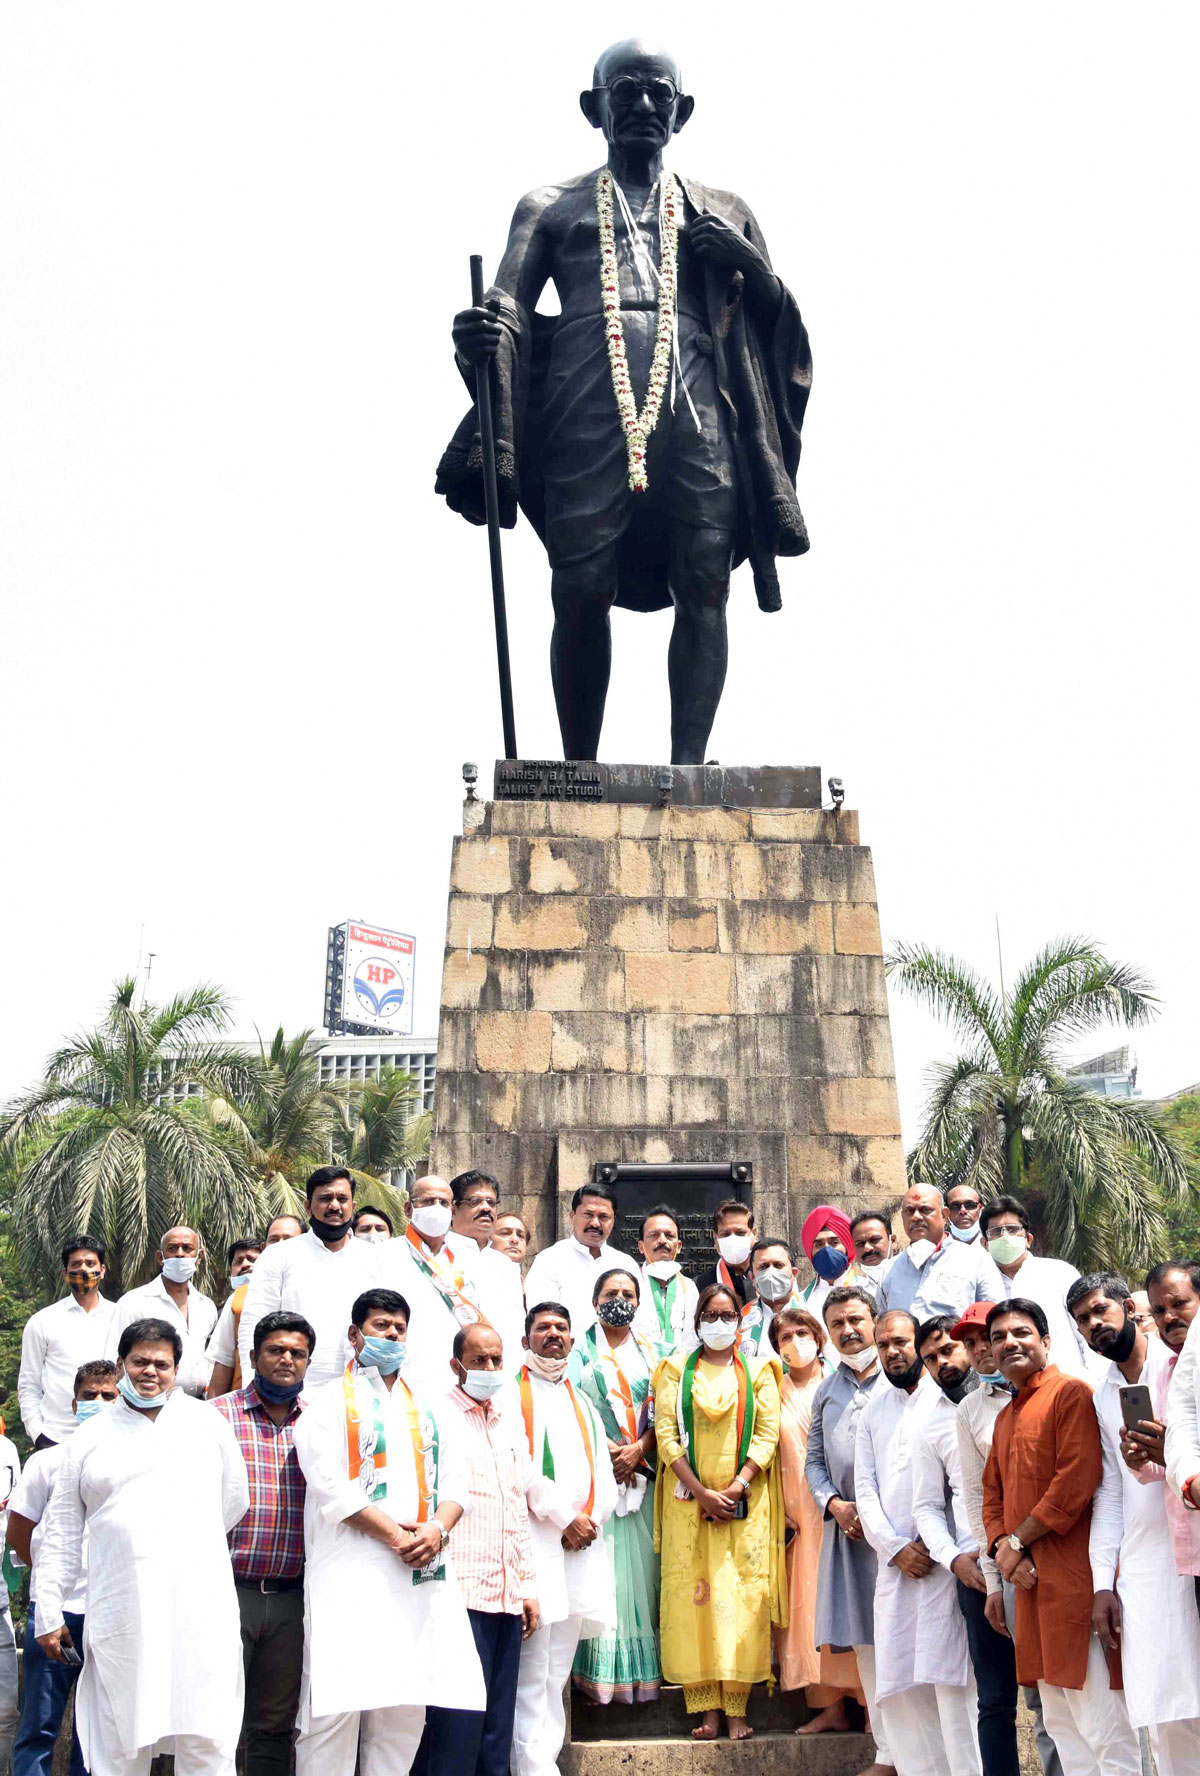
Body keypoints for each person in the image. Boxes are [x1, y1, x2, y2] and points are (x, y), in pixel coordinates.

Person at [441, 39, 811, 767]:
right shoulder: (552, 208)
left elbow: (778, 325)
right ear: (594, 107)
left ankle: (688, 767)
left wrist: (748, 266)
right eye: (626, 91)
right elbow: (509, 306)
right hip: (586, 397)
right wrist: (484, 331)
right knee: (578, 584)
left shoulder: (723, 210)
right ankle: (578, 769)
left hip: (700, 400)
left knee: (704, 575)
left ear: (683, 112)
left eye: (658, 93)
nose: (642, 105)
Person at [35, 1317, 250, 1776]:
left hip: (200, 1607)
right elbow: (63, 1530)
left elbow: (234, 1502)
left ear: (176, 1369)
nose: (150, 1371)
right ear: (120, 1365)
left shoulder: (207, 1424)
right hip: (123, 1608)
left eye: (162, 1363)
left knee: (206, 1733)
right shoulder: (90, 1436)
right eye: (139, 1362)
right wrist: (49, 1610)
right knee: (120, 1734)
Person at [292, 1288, 484, 1775]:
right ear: (355, 1335)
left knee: (404, 1709)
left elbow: (460, 1481)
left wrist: (436, 1530)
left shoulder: (432, 1406)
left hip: (420, 1576)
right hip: (351, 1576)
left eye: (399, 1328)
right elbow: (330, 1486)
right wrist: (398, 1537)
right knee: (335, 1711)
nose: (392, 1335)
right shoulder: (325, 1403)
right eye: (381, 1326)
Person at [982, 1300, 1140, 1776]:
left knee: (1106, 1730)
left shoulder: (1071, 1394)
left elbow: (1077, 1480)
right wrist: (1001, 1550)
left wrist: (1016, 1542)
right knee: (1062, 1727)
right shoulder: (1005, 1416)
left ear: (1046, 1342)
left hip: (1074, 1585)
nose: (1010, 1342)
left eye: (1022, 1332)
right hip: (1029, 1592)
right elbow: (990, 1495)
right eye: (999, 1337)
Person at [1068, 1272, 1200, 1775]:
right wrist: (1104, 1584)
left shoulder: (1183, 1362)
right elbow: (1111, 1496)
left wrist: (1171, 1454)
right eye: (1084, 1320)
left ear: (1128, 1306)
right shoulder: (1103, 1395)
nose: (1095, 1324)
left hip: (1191, 1551)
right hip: (1146, 1566)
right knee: (1166, 1712)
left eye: (1101, 1310)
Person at [654, 1284, 786, 1742]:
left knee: (740, 1599)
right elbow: (667, 1436)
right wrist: (703, 1493)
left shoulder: (761, 1370)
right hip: (688, 1507)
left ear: (740, 1321)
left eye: (726, 1314)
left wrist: (735, 1487)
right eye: (709, 1315)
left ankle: (737, 1709)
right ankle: (706, 1709)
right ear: (696, 1322)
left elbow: (767, 1434)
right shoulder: (672, 1370)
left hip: (744, 1507)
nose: (718, 1322)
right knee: (695, 1601)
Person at [855, 1309, 980, 1776]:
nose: (892, 1351)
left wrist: (934, 1546)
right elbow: (863, 1489)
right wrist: (893, 1547)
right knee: (902, 1692)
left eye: (901, 1342)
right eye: (883, 1344)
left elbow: (961, 1488)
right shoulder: (873, 1409)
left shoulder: (947, 1400)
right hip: (895, 1569)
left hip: (947, 1566)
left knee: (953, 1690)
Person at [413, 1321, 537, 1776]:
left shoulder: (506, 1420)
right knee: (455, 1724)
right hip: (458, 1592)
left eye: (496, 1360)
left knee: (495, 1726)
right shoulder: (435, 1415)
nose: (489, 1368)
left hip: (505, 1593)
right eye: (478, 1360)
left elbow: (516, 1503)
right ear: (455, 1365)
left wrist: (526, 1585)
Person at [513, 1302, 616, 1776]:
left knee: (557, 1670)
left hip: (580, 1548)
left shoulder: (583, 1401)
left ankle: (544, 1762)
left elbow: (604, 1474)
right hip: (535, 1542)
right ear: (526, 1339)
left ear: (572, 1342)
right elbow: (520, 1470)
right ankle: (529, 1765)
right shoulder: (511, 1396)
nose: (552, 1334)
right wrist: (564, 1517)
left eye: (560, 1328)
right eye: (542, 1328)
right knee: (531, 1670)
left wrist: (589, 1521)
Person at [210, 1311, 316, 1776]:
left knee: (275, 1725)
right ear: (253, 1357)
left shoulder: (320, 1423)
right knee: (216, 1719)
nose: (286, 1360)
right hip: (227, 1592)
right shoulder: (215, 1417)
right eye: (276, 1351)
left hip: (293, 1597)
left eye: (297, 1353)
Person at [949, 1302, 1053, 1776]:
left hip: (1059, 1556)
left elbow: (1072, 1482)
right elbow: (978, 1498)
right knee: (1028, 1696)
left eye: (985, 1338)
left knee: (1070, 1691)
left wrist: (1021, 1544)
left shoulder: (1059, 1393)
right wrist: (997, 1574)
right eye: (972, 1343)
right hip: (1009, 1569)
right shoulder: (972, 1409)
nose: (984, 1349)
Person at [913, 1317, 1015, 1773]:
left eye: (949, 1350)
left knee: (1052, 1693)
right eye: (931, 1358)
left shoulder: (1028, 1395)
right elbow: (928, 1505)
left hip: (1039, 1557)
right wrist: (955, 1560)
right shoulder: (932, 1418)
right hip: (977, 1569)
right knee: (994, 1700)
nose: (943, 1363)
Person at [9, 1360, 119, 1776]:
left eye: (109, 1395)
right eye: (90, 1395)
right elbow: (19, 1532)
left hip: (108, 1612)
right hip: (55, 1615)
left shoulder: (132, 1463)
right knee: (39, 1727)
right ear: (74, 1405)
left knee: (96, 1734)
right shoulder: (46, 1462)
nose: (99, 1402)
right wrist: (51, 1581)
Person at [805, 1285, 893, 1776]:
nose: (848, 1330)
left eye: (856, 1320)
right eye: (837, 1324)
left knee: (903, 1636)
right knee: (867, 1646)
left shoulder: (901, 1379)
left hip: (896, 1536)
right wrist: (834, 1504)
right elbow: (814, 1462)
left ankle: (918, 1751)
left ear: (875, 1321)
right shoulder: (827, 1389)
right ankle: (887, 1752)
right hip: (849, 1536)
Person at [568, 1269, 663, 1706]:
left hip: (642, 1474)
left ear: (639, 1302)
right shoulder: (575, 1352)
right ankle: (597, 1677)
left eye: (627, 1294)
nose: (619, 1300)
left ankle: (641, 1675)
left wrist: (639, 1448)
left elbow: (666, 1410)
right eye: (610, 1293)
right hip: (595, 1475)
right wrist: (609, 1451)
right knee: (602, 1573)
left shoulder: (655, 1352)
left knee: (641, 1576)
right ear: (594, 1301)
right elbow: (570, 1403)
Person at [770, 1303, 864, 1736]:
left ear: (819, 1337)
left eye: (801, 1334)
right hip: (798, 1520)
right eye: (784, 1338)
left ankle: (870, 1707)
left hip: (840, 1511)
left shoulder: (838, 1384)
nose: (794, 1344)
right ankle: (830, 1706)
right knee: (810, 1608)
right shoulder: (771, 1392)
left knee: (851, 1600)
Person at [238, 1169, 379, 1396]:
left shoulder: (375, 1258)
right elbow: (254, 1324)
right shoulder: (279, 1256)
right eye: (325, 1199)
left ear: (353, 1205)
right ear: (307, 1206)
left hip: (362, 1392)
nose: (334, 1206)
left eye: (342, 1199)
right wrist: (250, 1384)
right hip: (292, 1393)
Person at [382, 1175, 488, 1394]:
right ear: (409, 1209)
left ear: (453, 1210)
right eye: (428, 1201)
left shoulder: (470, 1256)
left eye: (444, 1203)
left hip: (460, 1377)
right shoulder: (384, 1255)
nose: (437, 1208)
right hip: (407, 1376)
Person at [979, 1197, 1098, 1381]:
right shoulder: (980, 1287)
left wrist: (1095, 1383)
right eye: (996, 1232)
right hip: (1011, 1398)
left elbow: (1087, 1333)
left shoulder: (1059, 1272)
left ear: (1028, 1239)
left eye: (1012, 1229)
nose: (1004, 1236)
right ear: (985, 1244)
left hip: (1071, 1386)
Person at [19, 1236, 116, 1448]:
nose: (83, 1269)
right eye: (75, 1264)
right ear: (64, 1273)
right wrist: (38, 1434)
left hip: (113, 1436)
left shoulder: (120, 1317)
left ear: (102, 1270)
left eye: (90, 1263)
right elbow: (28, 1386)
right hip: (56, 1438)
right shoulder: (42, 1322)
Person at [105, 1226, 218, 1398]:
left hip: (198, 1405)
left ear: (199, 1257)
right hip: (147, 1405)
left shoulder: (207, 1307)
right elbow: (114, 1360)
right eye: (172, 1248)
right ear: (160, 1257)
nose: (180, 1254)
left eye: (187, 1248)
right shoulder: (134, 1302)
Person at [1142, 1263, 1200, 1587]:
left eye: (1179, 1304)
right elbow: (1169, 1462)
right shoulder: (1158, 1371)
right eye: (1159, 1310)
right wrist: (1142, 1457)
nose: (1168, 1317)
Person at [207, 1216, 306, 1399]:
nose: (280, 1247)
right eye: (274, 1240)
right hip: (245, 1408)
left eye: (288, 1240)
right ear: (264, 1247)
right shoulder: (239, 1298)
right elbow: (223, 1361)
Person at [522, 1184, 638, 1338]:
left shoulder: (626, 1264)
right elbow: (542, 1318)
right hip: (566, 1357)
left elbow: (641, 1320)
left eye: (603, 1217)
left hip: (619, 1356)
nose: (595, 1223)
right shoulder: (550, 1260)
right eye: (588, 1214)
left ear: (613, 1221)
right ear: (572, 1216)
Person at [877, 1186, 1005, 1322]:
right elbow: (882, 1323)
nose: (916, 1217)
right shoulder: (889, 1269)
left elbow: (995, 1317)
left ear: (944, 1215)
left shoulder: (976, 1260)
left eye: (925, 1210)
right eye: (909, 1211)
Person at [444, 1171, 527, 1374]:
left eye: (491, 1202)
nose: (485, 1208)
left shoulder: (506, 1265)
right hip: (451, 1373)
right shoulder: (438, 1256)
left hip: (505, 1374)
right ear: (453, 1210)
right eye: (475, 1201)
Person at [632, 1204, 698, 1350]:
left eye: (669, 1235)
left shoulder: (690, 1287)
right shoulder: (630, 1286)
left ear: (679, 1246)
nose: (662, 1240)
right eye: (654, 1235)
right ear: (641, 1246)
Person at [741, 1238, 803, 1356]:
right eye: (763, 1267)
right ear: (752, 1277)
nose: (771, 1272)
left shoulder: (812, 1310)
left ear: (794, 1273)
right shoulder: (741, 1319)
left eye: (778, 1265)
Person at [799, 1205, 860, 1320]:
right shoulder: (800, 1302)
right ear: (810, 1252)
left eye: (834, 1242)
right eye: (819, 1244)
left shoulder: (869, 1290)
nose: (826, 1250)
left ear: (848, 1247)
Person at [695, 1198, 757, 1308]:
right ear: (715, 1239)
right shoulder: (701, 1285)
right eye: (725, 1234)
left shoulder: (767, 1276)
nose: (733, 1239)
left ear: (754, 1234)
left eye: (740, 1233)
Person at [850, 1211, 895, 1303]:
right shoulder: (853, 1294)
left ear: (893, 1241)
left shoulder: (914, 1279)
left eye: (874, 1240)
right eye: (860, 1243)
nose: (867, 1248)